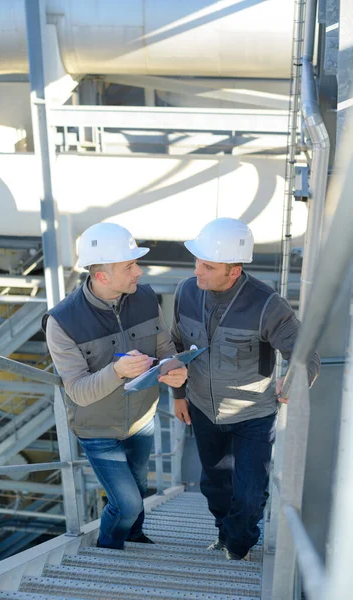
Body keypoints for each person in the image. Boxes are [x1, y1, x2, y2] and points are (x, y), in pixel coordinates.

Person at [171, 218, 320, 560]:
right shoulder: (185, 292)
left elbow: (304, 354)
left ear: (234, 271)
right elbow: (176, 346)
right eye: (197, 261)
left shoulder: (268, 306)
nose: (198, 271)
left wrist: (295, 379)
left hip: (253, 415)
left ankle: (239, 546)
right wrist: (178, 395)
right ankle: (224, 535)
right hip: (203, 411)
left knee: (250, 494)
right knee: (215, 486)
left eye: (208, 266)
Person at [44, 222, 187, 549]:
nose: (139, 271)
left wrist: (174, 369)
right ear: (102, 276)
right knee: (128, 503)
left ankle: (134, 536)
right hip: (97, 430)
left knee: (138, 490)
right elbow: (78, 390)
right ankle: (108, 546)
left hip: (141, 421)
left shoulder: (145, 297)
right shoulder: (61, 322)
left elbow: (164, 349)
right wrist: (117, 371)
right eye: (130, 266)